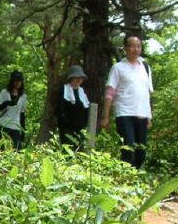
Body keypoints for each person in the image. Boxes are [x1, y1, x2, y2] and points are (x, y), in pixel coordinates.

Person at [101, 34, 153, 169]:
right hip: (124, 112)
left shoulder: (145, 68)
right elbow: (110, 92)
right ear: (125, 48)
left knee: (141, 152)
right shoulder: (118, 68)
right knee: (128, 148)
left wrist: (149, 116)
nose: (135, 49)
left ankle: (133, 177)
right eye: (132, 46)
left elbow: (147, 93)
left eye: (138, 46)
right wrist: (106, 115)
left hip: (142, 113)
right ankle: (125, 180)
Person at [57, 65, 90, 148]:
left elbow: (86, 107)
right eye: (76, 77)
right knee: (68, 149)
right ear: (71, 78)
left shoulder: (83, 91)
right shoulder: (64, 89)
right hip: (67, 127)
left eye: (80, 77)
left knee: (79, 149)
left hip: (80, 127)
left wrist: (85, 123)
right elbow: (60, 108)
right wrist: (64, 121)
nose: (79, 79)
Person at [0, 70, 27, 149]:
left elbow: (22, 114)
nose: (18, 83)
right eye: (16, 81)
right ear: (12, 81)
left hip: (15, 127)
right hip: (3, 125)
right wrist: (6, 103)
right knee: (0, 149)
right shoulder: (5, 92)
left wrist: (23, 131)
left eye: (19, 81)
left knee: (16, 150)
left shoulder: (23, 96)